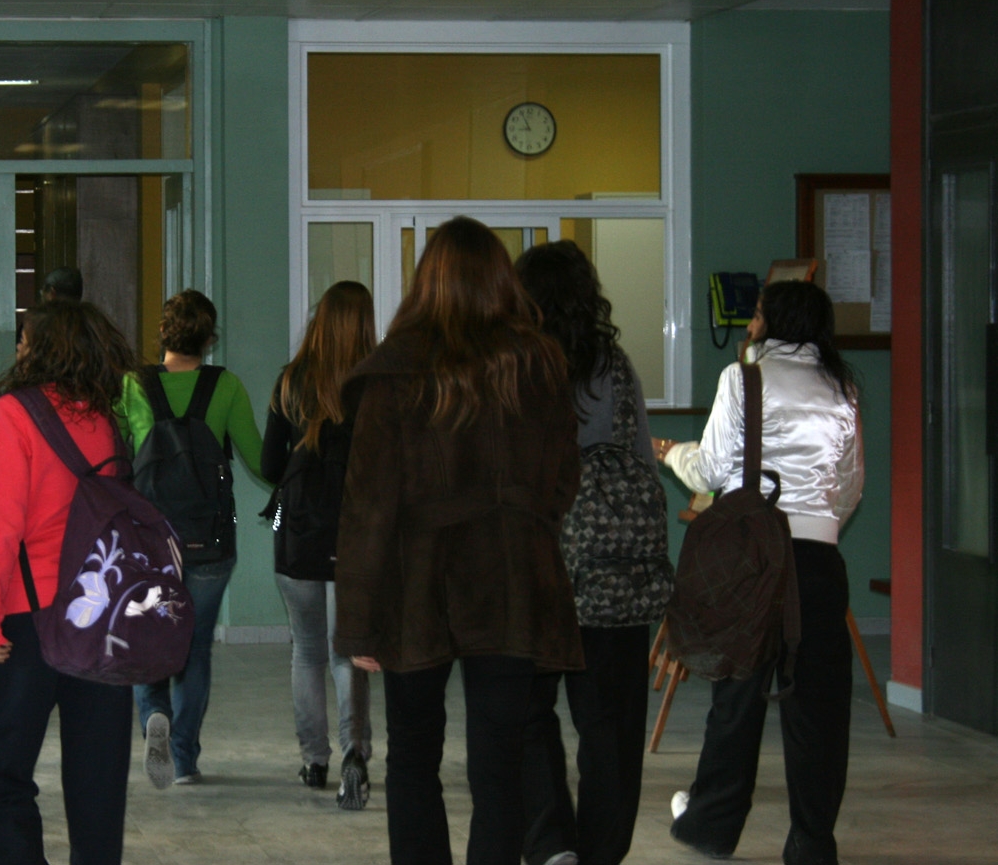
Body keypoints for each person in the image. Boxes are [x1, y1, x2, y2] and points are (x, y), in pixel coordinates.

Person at [334, 216, 583, 865]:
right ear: (503, 279)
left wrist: (358, 622)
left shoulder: (396, 370)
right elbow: (564, 478)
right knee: (499, 764)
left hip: (416, 584)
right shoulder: (540, 364)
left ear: (427, 282)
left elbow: (367, 507)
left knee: (414, 756)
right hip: (512, 580)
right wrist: (525, 527)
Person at [657, 279, 863, 865]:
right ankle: (812, 842)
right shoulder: (843, 388)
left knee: (737, 694)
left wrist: (671, 452)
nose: (749, 325)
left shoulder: (742, 378)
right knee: (820, 708)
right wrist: (816, 523)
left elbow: (710, 469)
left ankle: (712, 825)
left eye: (757, 316)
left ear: (772, 323)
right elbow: (850, 486)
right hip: (819, 562)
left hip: (753, 559)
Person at [0, 300, 139, 865]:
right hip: (101, 612)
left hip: (31, 615)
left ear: (41, 348)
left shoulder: (15, 411)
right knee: (99, 777)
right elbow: (50, 484)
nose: (18, 348)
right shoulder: (105, 418)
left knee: (9, 769)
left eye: (23, 339)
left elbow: (5, 522)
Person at [515, 240, 664, 865]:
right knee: (612, 725)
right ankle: (602, 850)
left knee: (525, 711)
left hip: (536, 566)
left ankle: (552, 842)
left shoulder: (518, 366)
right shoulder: (617, 366)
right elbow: (641, 461)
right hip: (613, 573)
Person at [117, 287, 263, 787]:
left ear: (164, 331)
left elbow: (114, 456)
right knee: (195, 649)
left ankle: (153, 714)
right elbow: (259, 460)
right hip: (209, 542)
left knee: (148, 637)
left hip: (149, 541)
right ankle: (183, 758)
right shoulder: (227, 386)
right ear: (209, 339)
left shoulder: (133, 386)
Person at [261, 280, 375, 808]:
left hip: (298, 535)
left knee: (306, 650)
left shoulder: (291, 381)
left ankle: (314, 760)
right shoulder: (375, 385)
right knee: (348, 650)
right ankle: (356, 755)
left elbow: (269, 465)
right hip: (356, 535)